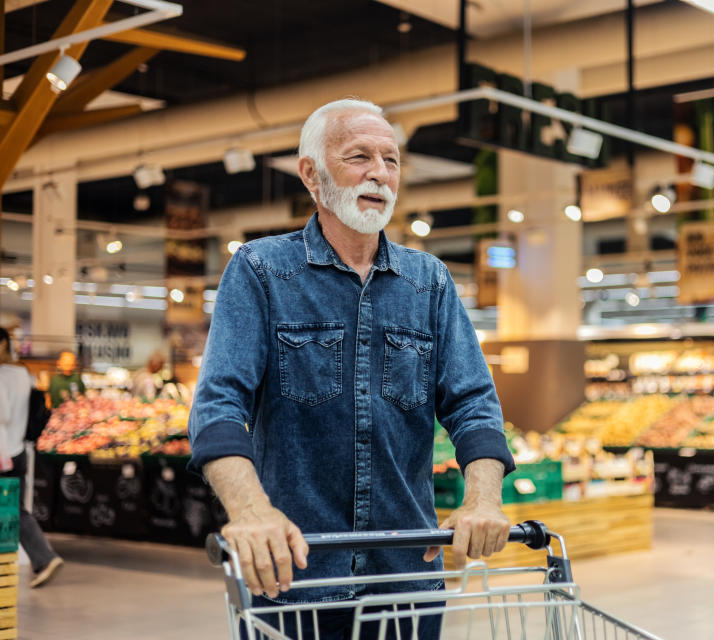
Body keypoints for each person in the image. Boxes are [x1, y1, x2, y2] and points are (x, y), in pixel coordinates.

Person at [188, 99, 515, 638]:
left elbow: (473, 403)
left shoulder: (427, 281)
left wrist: (483, 499)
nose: (380, 173)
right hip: (294, 581)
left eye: (391, 160)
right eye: (359, 156)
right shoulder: (261, 271)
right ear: (311, 175)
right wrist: (250, 512)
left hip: (407, 581)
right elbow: (218, 406)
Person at [0, 328, 64, 588]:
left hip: (3, 452)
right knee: (10, 511)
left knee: (12, 510)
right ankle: (23, 563)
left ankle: (44, 557)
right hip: (19, 451)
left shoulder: (3, 376)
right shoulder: (23, 374)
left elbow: (2, 415)